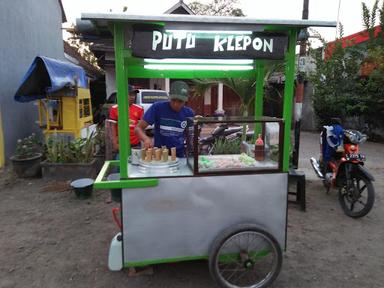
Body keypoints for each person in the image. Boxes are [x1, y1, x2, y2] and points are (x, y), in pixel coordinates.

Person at [135, 81, 195, 158]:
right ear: (169, 97)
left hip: (179, 155)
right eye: (173, 100)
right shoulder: (158, 108)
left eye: (180, 101)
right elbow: (138, 128)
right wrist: (146, 139)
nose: (176, 104)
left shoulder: (189, 113)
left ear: (186, 100)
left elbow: (190, 136)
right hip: (160, 154)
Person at [109, 85, 144, 152]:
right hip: (121, 143)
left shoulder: (139, 109)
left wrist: (143, 140)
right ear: (123, 94)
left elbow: (141, 127)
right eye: (130, 94)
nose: (133, 97)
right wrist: (114, 142)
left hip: (136, 143)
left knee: (135, 161)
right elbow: (112, 127)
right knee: (121, 161)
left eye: (134, 95)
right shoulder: (114, 109)